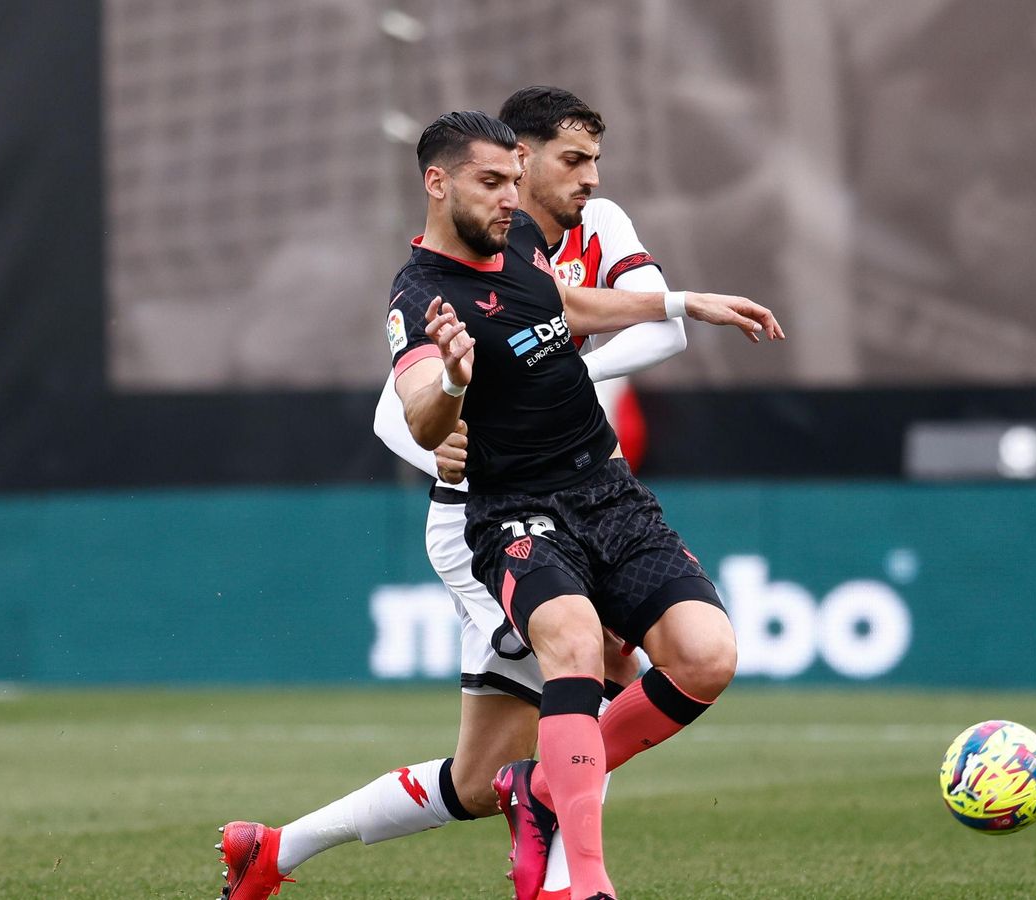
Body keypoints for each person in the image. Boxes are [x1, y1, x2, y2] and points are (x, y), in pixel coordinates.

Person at [211, 90, 723, 900]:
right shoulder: (426, 289)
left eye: (590, 163)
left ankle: (274, 849)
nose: (585, 179)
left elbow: (597, 316)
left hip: (585, 487)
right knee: (593, 657)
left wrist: (663, 309)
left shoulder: (558, 234)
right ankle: (572, 880)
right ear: (500, 164)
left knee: (483, 779)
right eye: (566, 162)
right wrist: (447, 415)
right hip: (488, 514)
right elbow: (402, 411)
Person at [389, 111, 778, 900]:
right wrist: (455, 381)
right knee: (574, 645)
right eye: (491, 182)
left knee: (707, 657)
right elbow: (421, 416)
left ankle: (538, 786)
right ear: (438, 182)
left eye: (513, 180)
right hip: (515, 508)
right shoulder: (419, 295)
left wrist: (682, 303)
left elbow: (565, 308)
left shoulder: (520, 243)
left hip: (607, 488)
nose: (510, 197)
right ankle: (589, 883)